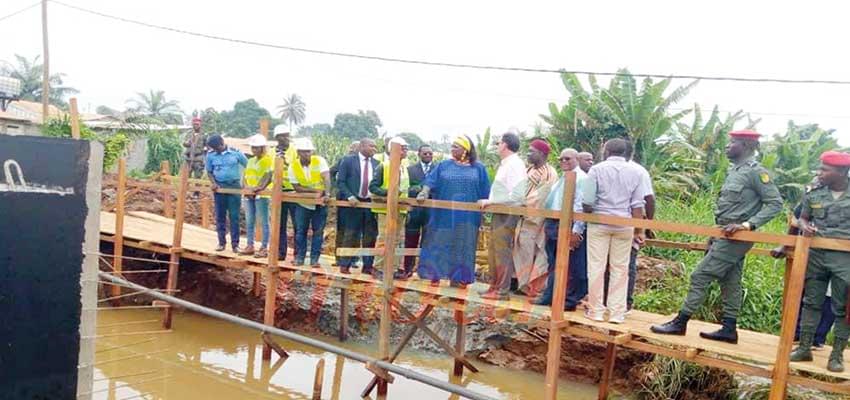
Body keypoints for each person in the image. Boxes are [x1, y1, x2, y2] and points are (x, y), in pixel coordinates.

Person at [651, 130, 782, 343]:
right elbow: (731, 207)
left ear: (746, 146)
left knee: (700, 275)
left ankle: (680, 322)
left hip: (737, 237)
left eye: (733, 143)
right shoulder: (735, 171)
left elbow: (775, 203)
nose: (727, 146)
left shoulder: (755, 172)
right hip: (724, 234)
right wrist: (715, 232)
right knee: (730, 281)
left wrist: (747, 225)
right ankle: (729, 329)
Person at [788, 151, 850, 372]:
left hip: (845, 259)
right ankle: (804, 348)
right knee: (811, 302)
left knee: (843, 307)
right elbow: (802, 218)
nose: (819, 173)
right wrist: (805, 227)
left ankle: (837, 356)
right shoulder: (814, 193)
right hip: (816, 256)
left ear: (842, 172)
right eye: (820, 168)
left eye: (825, 169)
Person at [582, 139, 645, 323]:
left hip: (600, 223)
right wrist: (639, 230)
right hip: (625, 224)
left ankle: (596, 311)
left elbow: (587, 201)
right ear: (625, 153)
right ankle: (617, 313)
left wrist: (589, 211)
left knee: (596, 267)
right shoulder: (636, 172)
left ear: (606, 151)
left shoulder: (596, 170)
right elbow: (637, 205)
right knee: (620, 268)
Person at [416, 135, 491, 287]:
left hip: (468, 217)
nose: (452, 149)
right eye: (452, 146)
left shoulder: (478, 168)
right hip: (443, 215)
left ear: (466, 149)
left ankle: (459, 279)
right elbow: (430, 181)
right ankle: (435, 275)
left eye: (456, 146)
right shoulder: (444, 165)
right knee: (439, 242)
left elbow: (486, 193)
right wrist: (424, 192)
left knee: (464, 245)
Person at [533, 148, 588, 309]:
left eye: (568, 159)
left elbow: (580, 206)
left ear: (577, 159)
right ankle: (550, 296)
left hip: (567, 224)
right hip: (553, 222)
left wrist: (576, 230)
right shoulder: (561, 178)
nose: (564, 162)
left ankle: (568, 300)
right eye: (561, 159)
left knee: (571, 264)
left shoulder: (582, 179)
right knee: (553, 262)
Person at [477, 133, 527, 300]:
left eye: (499, 143)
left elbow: (517, 195)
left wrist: (491, 201)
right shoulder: (506, 164)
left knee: (502, 251)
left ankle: (502, 290)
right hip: (500, 210)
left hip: (508, 212)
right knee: (493, 249)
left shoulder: (515, 164)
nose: (497, 146)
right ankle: (494, 286)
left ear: (504, 145)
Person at [512, 139, 558, 298]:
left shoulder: (549, 173)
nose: (528, 154)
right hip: (523, 217)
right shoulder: (529, 169)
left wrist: (520, 205)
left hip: (535, 220)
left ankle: (534, 286)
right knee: (522, 251)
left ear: (542, 154)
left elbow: (541, 197)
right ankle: (522, 284)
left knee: (538, 252)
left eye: (531, 151)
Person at [335, 138, 380, 274]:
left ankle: (367, 266)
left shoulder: (377, 164)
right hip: (353, 203)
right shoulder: (348, 161)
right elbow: (341, 181)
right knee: (351, 234)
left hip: (369, 203)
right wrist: (349, 196)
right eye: (371, 146)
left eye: (376, 147)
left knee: (370, 235)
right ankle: (345, 264)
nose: (374, 149)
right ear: (362, 146)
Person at [369, 136, 410, 275]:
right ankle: (378, 267)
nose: (406, 151)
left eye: (406, 149)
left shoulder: (404, 167)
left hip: (400, 209)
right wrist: (389, 193)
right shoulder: (384, 166)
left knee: (397, 239)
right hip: (385, 209)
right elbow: (373, 187)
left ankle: (393, 268)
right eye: (403, 148)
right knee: (384, 238)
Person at [288, 138, 332, 267]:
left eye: (309, 151)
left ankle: (314, 260)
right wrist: (315, 191)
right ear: (298, 152)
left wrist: (327, 193)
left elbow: (327, 178)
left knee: (318, 232)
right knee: (301, 231)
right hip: (303, 203)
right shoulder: (293, 166)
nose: (307, 154)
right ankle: (300, 258)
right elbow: (297, 187)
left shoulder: (320, 161)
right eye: (304, 152)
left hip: (320, 204)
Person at [624, 138, 656, 311]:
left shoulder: (601, 168)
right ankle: (625, 303)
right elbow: (649, 199)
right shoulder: (639, 171)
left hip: (609, 224)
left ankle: (609, 301)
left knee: (609, 264)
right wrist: (647, 226)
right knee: (627, 263)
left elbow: (648, 199)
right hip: (631, 223)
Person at [205, 134, 248, 252]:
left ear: (221, 144)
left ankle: (235, 245)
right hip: (219, 187)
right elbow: (209, 171)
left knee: (234, 216)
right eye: (213, 148)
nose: (215, 150)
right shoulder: (210, 156)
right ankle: (221, 243)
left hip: (234, 186)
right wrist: (213, 183)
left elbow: (248, 165)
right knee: (220, 216)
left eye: (216, 147)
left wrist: (245, 181)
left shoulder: (235, 153)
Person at [401, 144, 437, 279]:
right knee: (410, 239)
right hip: (414, 211)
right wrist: (418, 190)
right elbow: (407, 188)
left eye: (430, 153)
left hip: (431, 212)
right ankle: (407, 269)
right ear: (419, 154)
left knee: (428, 241)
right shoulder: (410, 170)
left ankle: (424, 271)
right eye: (425, 153)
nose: (428, 155)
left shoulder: (437, 170)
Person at [239, 134, 274, 258]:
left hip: (262, 195)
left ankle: (264, 247)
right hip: (249, 195)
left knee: (264, 221)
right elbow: (246, 176)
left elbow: (268, 176)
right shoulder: (251, 161)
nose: (254, 150)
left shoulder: (268, 160)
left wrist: (258, 189)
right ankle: (250, 245)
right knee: (249, 220)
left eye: (257, 148)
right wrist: (247, 188)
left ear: (262, 148)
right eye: (253, 148)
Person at [273, 124, 298, 261]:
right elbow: (270, 169)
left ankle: (297, 254)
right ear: (277, 137)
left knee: (297, 224)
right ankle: (281, 253)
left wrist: (285, 161)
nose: (286, 138)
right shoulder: (272, 151)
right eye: (283, 136)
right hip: (278, 192)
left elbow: (297, 167)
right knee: (279, 224)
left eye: (287, 135)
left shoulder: (294, 150)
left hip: (293, 191)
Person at [331, 140, 361, 253]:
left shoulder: (364, 163)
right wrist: (337, 187)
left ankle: (353, 257)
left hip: (359, 199)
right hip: (344, 198)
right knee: (343, 228)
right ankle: (339, 256)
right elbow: (331, 172)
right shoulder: (344, 160)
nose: (354, 150)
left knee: (357, 229)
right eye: (354, 148)